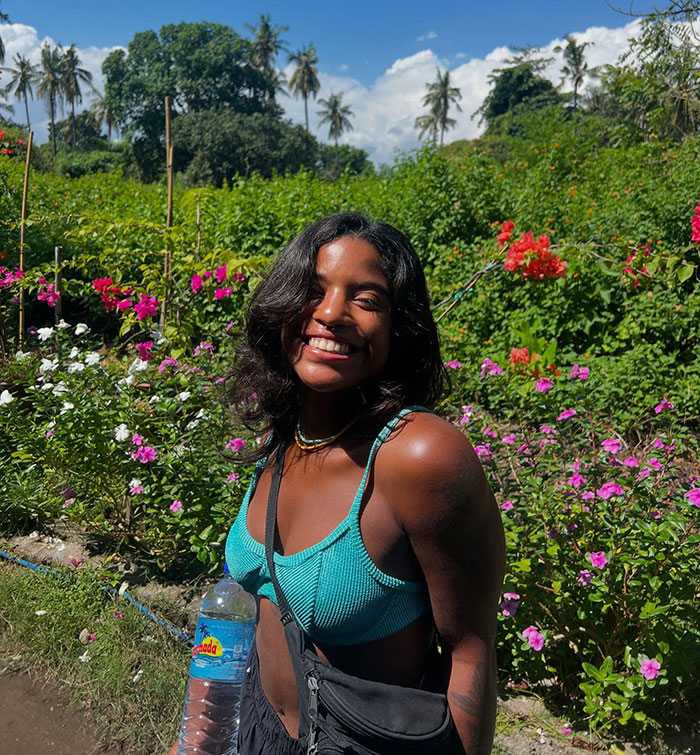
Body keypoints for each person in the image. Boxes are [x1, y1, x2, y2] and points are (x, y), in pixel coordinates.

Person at [170, 212, 505, 755]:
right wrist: (201, 738)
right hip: (253, 727)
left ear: (400, 328)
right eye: (312, 290)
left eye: (366, 300)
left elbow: (471, 651)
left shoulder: (418, 457)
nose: (330, 314)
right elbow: (243, 621)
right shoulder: (290, 433)